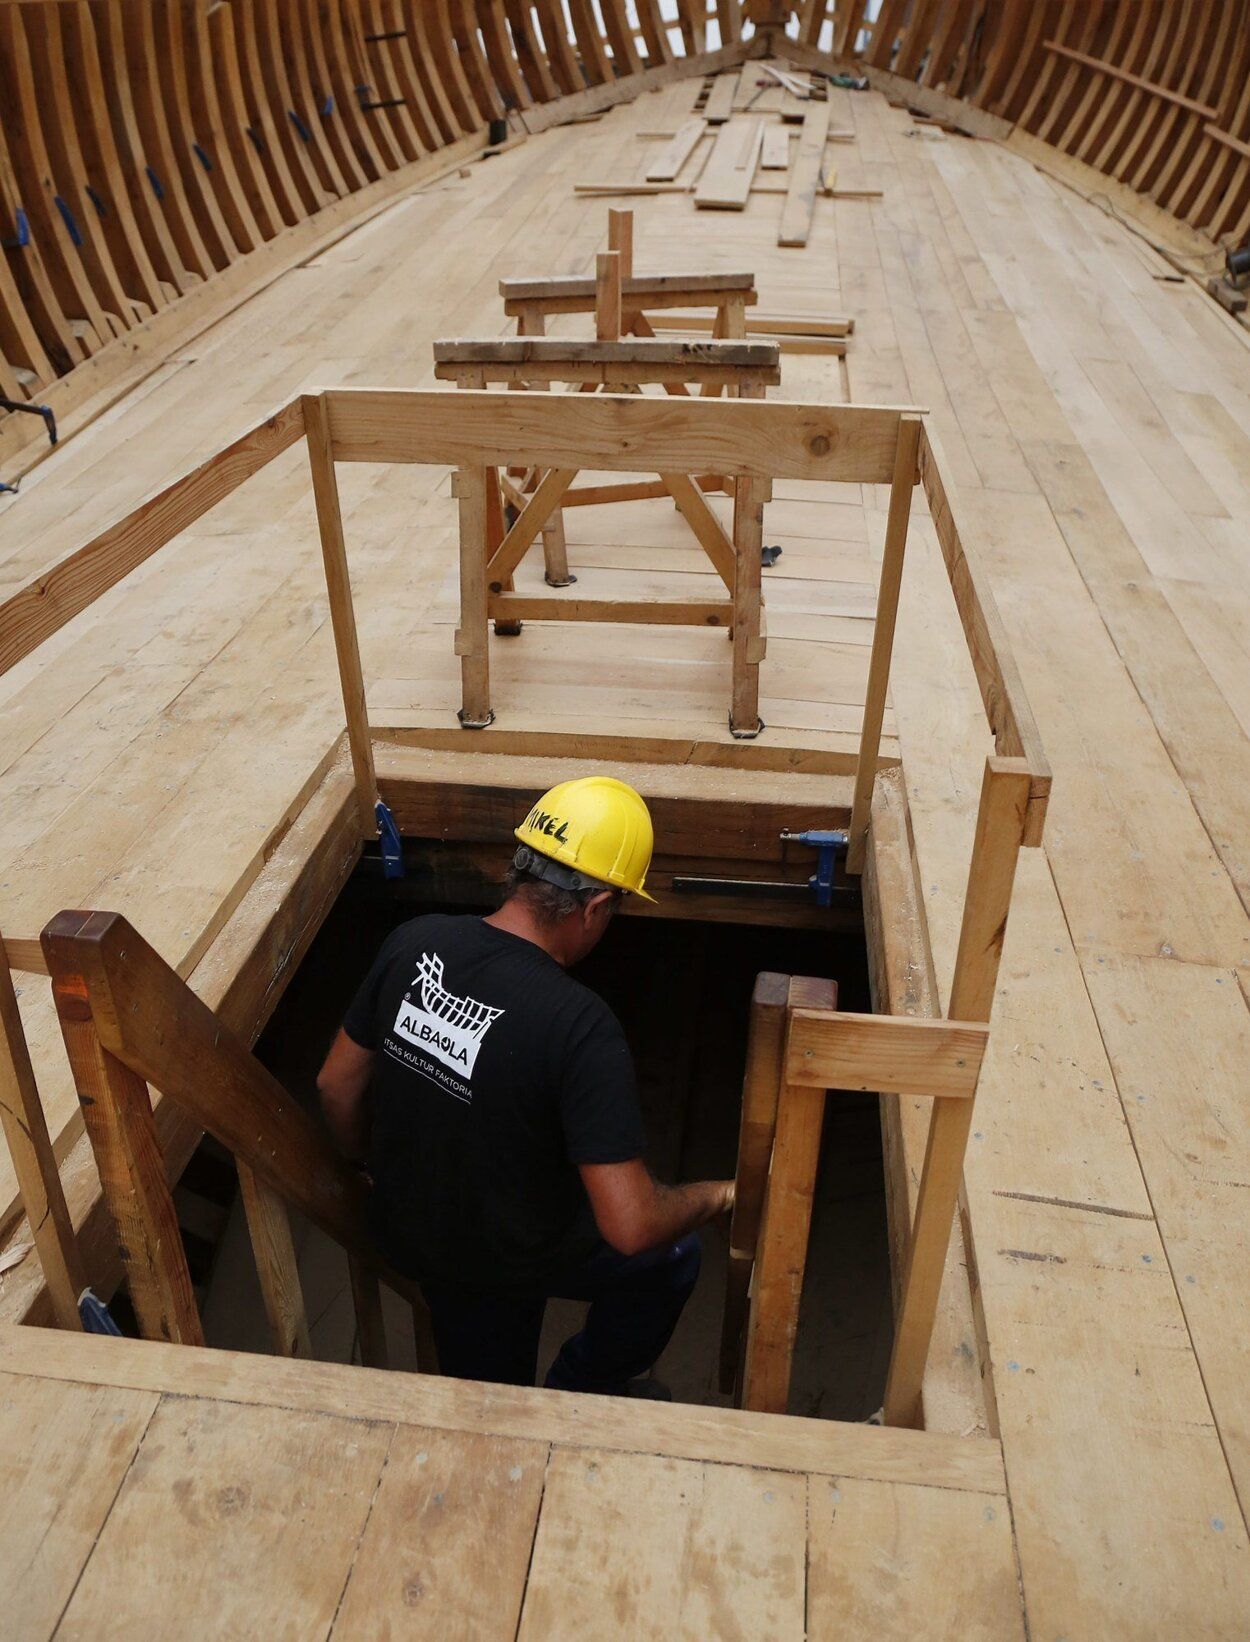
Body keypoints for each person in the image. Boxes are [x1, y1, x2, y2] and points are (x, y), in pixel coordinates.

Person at [317, 774, 734, 1398]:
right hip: (497, 1263)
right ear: (594, 909)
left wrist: (362, 1166)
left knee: (483, 1365)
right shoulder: (581, 1026)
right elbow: (631, 1227)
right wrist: (722, 1194)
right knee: (670, 1260)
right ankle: (580, 1387)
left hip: (402, 1226)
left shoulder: (414, 941)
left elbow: (335, 1085)